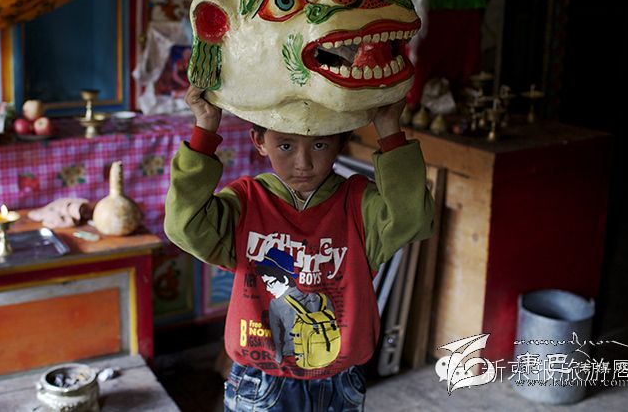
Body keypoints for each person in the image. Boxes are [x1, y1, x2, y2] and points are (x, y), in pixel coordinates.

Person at [165, 85, 435, 412]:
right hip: (260, 381)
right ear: (259, 141)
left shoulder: (360, 205)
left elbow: (412, 219)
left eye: (320, 144)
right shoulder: (246, 202)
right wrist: (205, 129)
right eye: (286, 145)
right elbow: (185, 225)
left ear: (341, 142)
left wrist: (389, 129)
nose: (303, 163)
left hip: (339, 381)